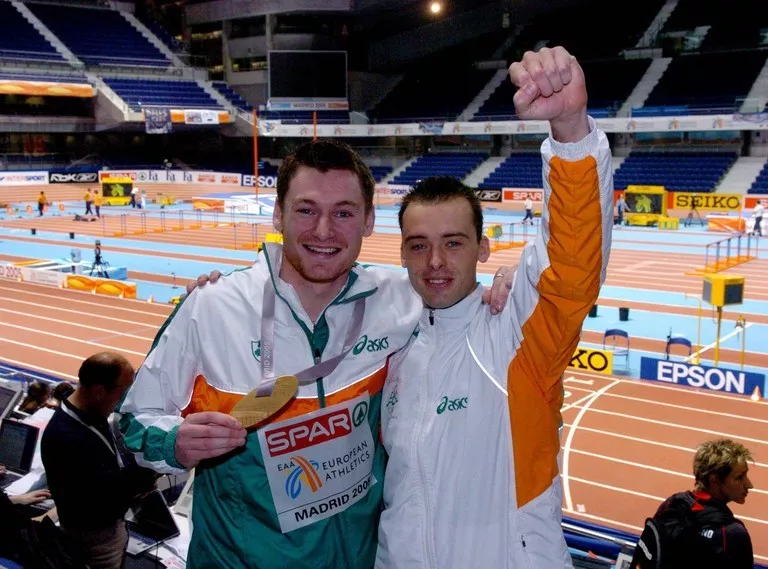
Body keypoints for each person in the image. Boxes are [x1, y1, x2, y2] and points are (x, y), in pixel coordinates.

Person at [186, 45, 612, 569]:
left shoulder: (517, 336)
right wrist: (229, 294)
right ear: (401, 250)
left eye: (454, 243)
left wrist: (570, 132)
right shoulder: (389, 342)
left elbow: (571, 266)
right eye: (418, 245)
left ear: (483, 250)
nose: (435, 262)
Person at [119, 138, 516, 569]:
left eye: (343, 213)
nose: (323, 231)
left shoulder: (400, 300)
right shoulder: (212, 306)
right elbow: (135, 420)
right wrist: (173, 442)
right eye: (306, 210)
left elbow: (455, 289)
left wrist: (508, 281)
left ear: (367, 221)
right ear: (277, 214)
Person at [41, 352, 158, 569]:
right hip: (96, 542)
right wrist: (148, 473)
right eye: (121, 393)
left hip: (94, 530)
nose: (123, 401)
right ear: (98, 391)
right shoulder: (69, 438)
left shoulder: (85, 410)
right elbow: (103, 502)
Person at [630, 438, 754, 569]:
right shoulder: (733, 533)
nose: (749, 485)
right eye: (739, 477)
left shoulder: (672, 504)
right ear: (715, 480)